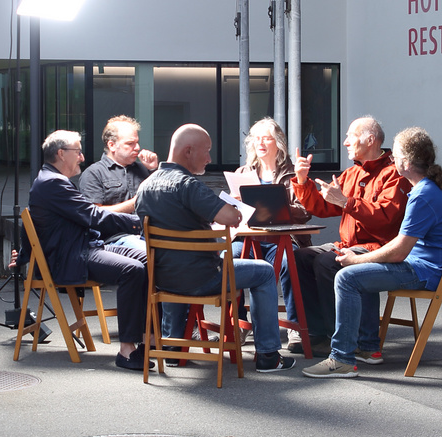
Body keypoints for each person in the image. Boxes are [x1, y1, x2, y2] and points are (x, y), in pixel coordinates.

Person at [133, 124, 295, 373]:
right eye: (206, 151)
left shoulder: (145, 186)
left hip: (162, 277)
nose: (209, 158)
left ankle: (173, 350)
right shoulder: (188, 184)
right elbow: (231, 217)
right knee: (263, 271)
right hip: (204, 277)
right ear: (188, 151)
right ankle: (268, 356)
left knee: (176, 265)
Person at [304, 127, 442, 378]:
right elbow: (401, 244)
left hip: (428, 271)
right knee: (351, 270)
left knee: (348, 276)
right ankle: (361, 345)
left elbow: (399, 251)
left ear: (406, 163)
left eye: (396, 155)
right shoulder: (432, 187)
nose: (392, 159)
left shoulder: (423, 194)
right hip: (429, 266)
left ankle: (342, 358)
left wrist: (356, 260)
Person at [17, 130, 149, 370]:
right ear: (60, 154)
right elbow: (93, 215)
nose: (82, 156)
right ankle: (127, 350)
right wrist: (137, 223)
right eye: (77, 151)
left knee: (151, 258)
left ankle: (151, 339)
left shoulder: (51, 181)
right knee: (133, 269)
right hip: (70, 256)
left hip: (80, 248)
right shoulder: (52, 183)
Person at [288, 115, 409, 358]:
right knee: (299, 257)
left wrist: (346, 202)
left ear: (370, 140)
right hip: (348, 244)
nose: (345, 143)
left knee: (326, 262)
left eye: (350, 137)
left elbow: (386, 219)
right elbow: (322, 207)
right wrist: (302, 181)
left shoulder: (393, 173)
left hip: (379, 247)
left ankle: (345, 339)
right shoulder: (352, 173)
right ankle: (316, 333)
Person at [226, 117, 311, 338]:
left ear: (278, 142)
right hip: (247, 240)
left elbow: (305, 212)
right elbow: (235, 212)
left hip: (282, 239)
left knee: (288, 263)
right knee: (229, 261)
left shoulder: (293, 173)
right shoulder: (243, 172)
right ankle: (239, 323)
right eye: (256, 138)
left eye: (267, 138)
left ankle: (294, 328)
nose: (260, 143)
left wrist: (278, 208)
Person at [78, 115, 160, 213]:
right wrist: (134, 203)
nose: (137, 147)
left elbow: (164, 200)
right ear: (112, 145)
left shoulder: (144, 169)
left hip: (147, 227)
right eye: (130, 143)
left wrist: (153, 170)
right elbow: (93, 213)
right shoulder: (94, 173)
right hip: (115, 228)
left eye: (137, 142)